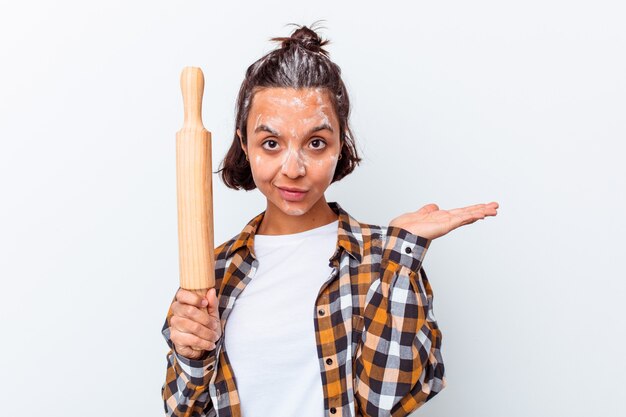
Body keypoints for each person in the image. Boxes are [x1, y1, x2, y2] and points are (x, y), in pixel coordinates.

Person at [161, 22, 499, 417]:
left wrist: (402, 253)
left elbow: (387, 402)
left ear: (341, 145)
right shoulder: (213, 272)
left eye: (316, 143)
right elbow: (183, 410)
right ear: (244, 144)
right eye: (271, 143)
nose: (293, 168)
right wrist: (191, 355)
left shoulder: (383, 259)